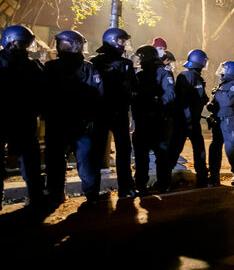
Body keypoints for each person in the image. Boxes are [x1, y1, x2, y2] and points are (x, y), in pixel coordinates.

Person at [43, 30, 104, 204]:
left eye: (65, 43)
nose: (61, 46)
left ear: (76, 45)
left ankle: (89, 195)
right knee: (59, 161)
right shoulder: (52, 67)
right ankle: (59, 194)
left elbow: (98, 96)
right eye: (61, 43)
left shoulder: (87, 68)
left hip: (75, 123)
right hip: (66, 123)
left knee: (84, 162)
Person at [0, 25, 46, 208]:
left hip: (22, 119)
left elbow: (42, 92)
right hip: (14, 118)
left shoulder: (32, 66)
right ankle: (36, 199)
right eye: (21, 44)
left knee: (31, 162)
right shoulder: (30, 66)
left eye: (25, 44)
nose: (23, 48)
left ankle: (36, 198)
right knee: (30, 161)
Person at [90, 27, 138, 198]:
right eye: (121, 41)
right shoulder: (97, 62)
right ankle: (99, 189)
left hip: (112, 113)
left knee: (119, 151)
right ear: (112, 40)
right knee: (103, 152)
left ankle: (117, 187)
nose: (124, 44)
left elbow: (133, 89)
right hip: (108, 114)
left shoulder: (123, 63)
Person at [132, 45, 176, 196]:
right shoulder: (140, 75)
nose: (138, 60)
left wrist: (153, 106)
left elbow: (170, 96)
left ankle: (163, 185)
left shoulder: (164, 73)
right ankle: (140, 185)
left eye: (141, 57)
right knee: (141, 157)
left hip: (159, 122)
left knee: (162, 156)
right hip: (142, 122)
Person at [170, 49, 210, 188]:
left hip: (180, 119)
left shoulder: (182, 76)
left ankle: (164, 178)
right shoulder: (196, 78)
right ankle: (203, 177)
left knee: (175, 148)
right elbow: (201, 98)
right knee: (199, 149)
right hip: (191, 120)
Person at [211, 61, 234, 186]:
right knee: (215, 148)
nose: (221, 71)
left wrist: (217, 96)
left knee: (231, 148)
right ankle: (213, 176)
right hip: (218, 119)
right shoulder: (222, 83)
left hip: (229, 120)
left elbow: (228, 101)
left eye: (224, 69)